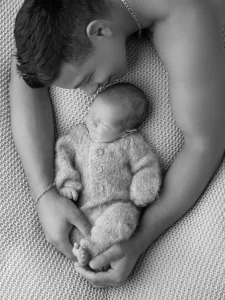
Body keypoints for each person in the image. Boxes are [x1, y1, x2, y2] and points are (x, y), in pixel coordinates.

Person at [10, 0, 225, 288]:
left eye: (87, 78)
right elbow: (24, 69)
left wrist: (136, 240)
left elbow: (205, 144)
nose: (89, 94)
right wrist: (44, 194)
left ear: (100, 31)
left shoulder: (185, 20)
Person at [54, 83, 161, 266]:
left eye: (102, 123)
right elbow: (63, 153)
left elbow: (146, 165)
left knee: (122, 218)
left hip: (116, 207)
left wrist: (142, 190)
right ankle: (82, 251)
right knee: (71, 222)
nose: (92, 122)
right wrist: (68, 182)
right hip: (82, 211)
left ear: (126, 131)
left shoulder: (132, 143)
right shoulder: (79, 135)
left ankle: (91, 249)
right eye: (91, 113)